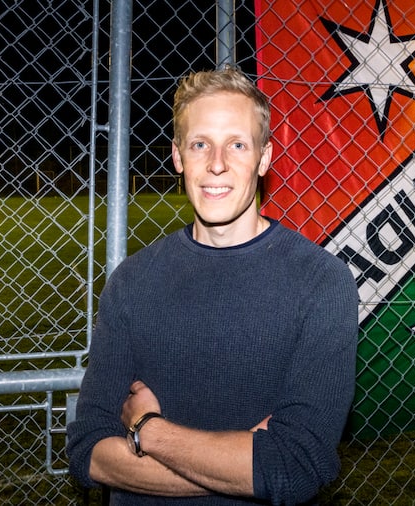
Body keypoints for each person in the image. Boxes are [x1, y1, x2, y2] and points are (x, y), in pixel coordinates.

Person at [66, 65, 359, 505]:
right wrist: (250, 460)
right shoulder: (132, 280)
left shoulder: (321, 282)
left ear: (264, 158)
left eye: (237, 145)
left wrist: (150, 431)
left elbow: (298, 467)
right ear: (178, 156)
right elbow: (88, 451)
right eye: (200, 144)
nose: (217, 164)